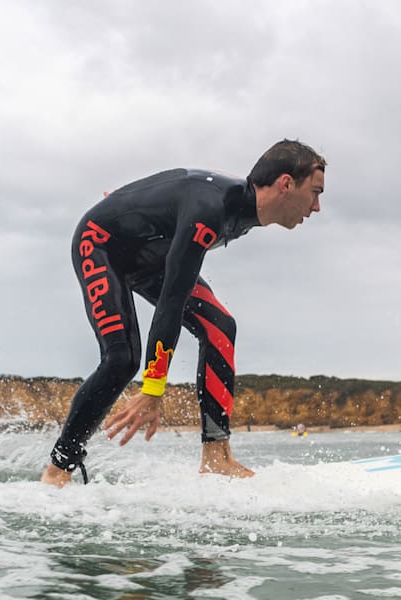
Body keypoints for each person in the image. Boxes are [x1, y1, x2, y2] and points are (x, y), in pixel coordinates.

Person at [42, 139, 327, 487]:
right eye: (314, 193)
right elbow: (171, 303)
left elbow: (178, 182)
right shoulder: (210, 209)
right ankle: (58, 469)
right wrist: (153, 387)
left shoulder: (244, 204)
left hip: (150, 254)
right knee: (122, 359)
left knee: (220, 327)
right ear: (286, 184)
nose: (316, 207)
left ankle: (217, 457)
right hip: (101, 245)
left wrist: (126, 201)